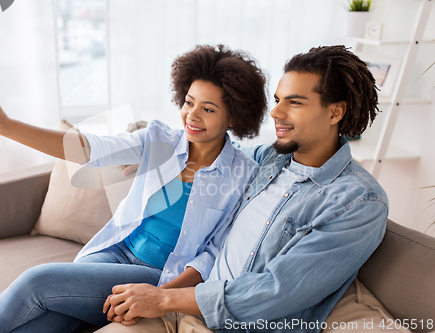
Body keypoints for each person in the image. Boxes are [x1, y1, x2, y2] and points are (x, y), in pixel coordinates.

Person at [0, 45, 268, 332]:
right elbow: (89, 149)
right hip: (112, 252)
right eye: (189, 102)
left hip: (157, 274)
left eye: (209, 109)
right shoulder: (159, 139)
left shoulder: (242, 175)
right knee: (45, 325)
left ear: (233, 117)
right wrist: (5, 125)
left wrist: (158, 296)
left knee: (37, 281)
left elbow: (214, 253)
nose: (192, 116)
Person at [98, 45, 388, 333]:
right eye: (277, 100)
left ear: (335, 112)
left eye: (294, 102)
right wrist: (166, 160)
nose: (275, 112)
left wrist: (163, 298)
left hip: (229, 323)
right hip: (182, 311)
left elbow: (278, 290)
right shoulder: (270, 159)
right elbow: (218, 152)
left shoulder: (359, 201)